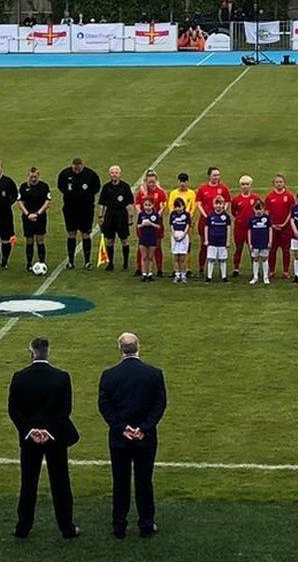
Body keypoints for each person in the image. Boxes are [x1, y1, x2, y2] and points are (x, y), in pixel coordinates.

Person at [8, 337, 81, 540]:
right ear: (48, 353)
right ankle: (67, 527)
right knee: (61, 483)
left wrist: (31, 431)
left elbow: (14, 410)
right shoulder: (61, 377)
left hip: (30, 440)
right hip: (55, 438)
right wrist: (48, 431)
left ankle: (23, 528)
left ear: (31, 354)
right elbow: (65, 410)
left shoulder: (19, 377)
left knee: (28, 483)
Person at [98, 333, 166, 539]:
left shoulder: (109, 375)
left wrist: (122, 428)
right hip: (145, 438)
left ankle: (119, 525)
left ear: (120, 349)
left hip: (120, 439)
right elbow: (159, 405)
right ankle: (146, 524)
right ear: (138, 347)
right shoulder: (154, 374)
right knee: (144, 481)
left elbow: (105, 407)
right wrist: (143, 428)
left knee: (120, 481)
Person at [58, 157, 101, 269]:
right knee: (71, 233)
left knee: (85, 233)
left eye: (79, 168)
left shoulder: (90, 175)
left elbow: (96, 188)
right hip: (70, 209)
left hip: (86, 210)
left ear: (82, 165)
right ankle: (71, 261)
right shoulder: (65, 174)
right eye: (75, 168)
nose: (76, 170)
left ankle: (87, 262)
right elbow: (61, 187)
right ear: (72, 165)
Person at [98, 165, 135, 272]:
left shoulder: (125, 187)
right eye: (112, 172)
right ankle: (110, 263)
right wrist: (101, 217)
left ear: (120, 174)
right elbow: (101, 203)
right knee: (110, 240)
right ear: (110, 174)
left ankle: (125, 263)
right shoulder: (106, 187)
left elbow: (129, 203)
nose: (114, 174)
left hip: (121, 215)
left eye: (116, 172)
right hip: (110, 215)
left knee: (124, 240)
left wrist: (130, 217)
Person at [195, 167, 230, 276]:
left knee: (220, 245)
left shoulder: (223, 188)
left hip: (219, 222)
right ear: (209, 176)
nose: (216, 177)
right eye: (214, 175)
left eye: (218, 175)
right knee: (204, 244)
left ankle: (221, 270)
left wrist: (222, 211)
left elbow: (227, 201)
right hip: (205, 221)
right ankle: (201, 267)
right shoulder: (203, 188)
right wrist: (206, 216)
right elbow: (198, 203)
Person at [134, 170, 168, 277]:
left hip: (156, 223)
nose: (151, 184)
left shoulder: (160, 192)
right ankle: (140, 269)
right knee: (142, 245)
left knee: (157, 245)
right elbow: (137, 205)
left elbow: (163, 206)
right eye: (149, 182)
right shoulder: (142, 193)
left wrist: (156, 216)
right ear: (146, 182)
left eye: (153, 182)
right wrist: (143, 215)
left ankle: (159, 269)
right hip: (143, 223)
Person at [17, 167, 52, 271]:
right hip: (27, 217)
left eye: (35, 177)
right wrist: (28, 214)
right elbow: (19, 202)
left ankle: (42, 261)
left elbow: (47, 201)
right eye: (31, 177)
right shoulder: (23, 187)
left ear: (38, 176)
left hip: (40, 217)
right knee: (29, 240)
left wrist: (37, 213)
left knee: (40, 240)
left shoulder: (44, 186)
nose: (33, 179)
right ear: (28, 176)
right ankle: (29, 263)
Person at [264, 173, 295, 280]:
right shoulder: (269, 196)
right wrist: (272, 224)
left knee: (286, 250)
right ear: (274, 183)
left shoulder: (289, 196)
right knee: (272, 250)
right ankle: (271, 271)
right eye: (277, 182)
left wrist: (284, 224)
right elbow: (266, 212)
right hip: (273, 229)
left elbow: (291, 212)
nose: (279, 184)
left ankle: (286, 271)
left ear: (284, 183)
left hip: (285, 228)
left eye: (281, 182)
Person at [230, 175, 260, 277]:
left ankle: (254, 268)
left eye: (247, 184)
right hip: (239, 228)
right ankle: (236, 268)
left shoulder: (255, 198)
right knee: (238, 248)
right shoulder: (236, 199)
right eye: (243, 184)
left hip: (252, 228)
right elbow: (234, 212)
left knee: (252, 248)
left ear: (250, 185)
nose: (245, 186)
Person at [204, 196, 231, 283]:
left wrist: (228, 240)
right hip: (212, 240)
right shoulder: (210, 216)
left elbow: (228, 228)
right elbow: (206, 228)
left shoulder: (226, 216)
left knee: (222, 259)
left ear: (223, 205)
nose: (218, 206)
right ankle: (209, 277)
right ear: (213, 204)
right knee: (211, 259)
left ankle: (224, 277)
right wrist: (206, 239)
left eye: (220, 204)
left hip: (222, 241)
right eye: (216, 204)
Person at [136, 198, 162, 282]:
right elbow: (138, 226)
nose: (147, 207)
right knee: (144, 257)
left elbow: (158, 226)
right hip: (143, 237)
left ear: (153, 205)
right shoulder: (141, 215)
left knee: (150, 257)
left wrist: (151, 224)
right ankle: (144, 274)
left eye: (149, 205)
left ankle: (150, 273)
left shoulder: (156, 215)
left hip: (152, 237)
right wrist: (143, 224)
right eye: (145, 205)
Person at [248, 200, 272, 285]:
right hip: (255, 242)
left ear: (264, 209)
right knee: (255, 259)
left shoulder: (267, 218)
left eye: (260, 209)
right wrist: (250, 243)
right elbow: (249, 231)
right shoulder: (251, 219)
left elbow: (270, 229)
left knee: (265, 259)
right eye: (256, 209)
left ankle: (265, 277)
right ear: (253, 209)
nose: (258, 211)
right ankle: (255, 277)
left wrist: (270, 241)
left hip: (264, 241)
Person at [167, 198, 190, 283]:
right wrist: (173, 235)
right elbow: (171, 225)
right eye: (176, 207)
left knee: (182, 257)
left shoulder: (186, 215)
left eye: (180, 206)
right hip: (175, 236)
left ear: (183, 206)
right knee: (176, 257)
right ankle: (177, 274)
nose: (178, 209)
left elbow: (187, 225)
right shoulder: (173, 214)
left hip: (183, 236)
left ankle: (183, 274)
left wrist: (183, 235)